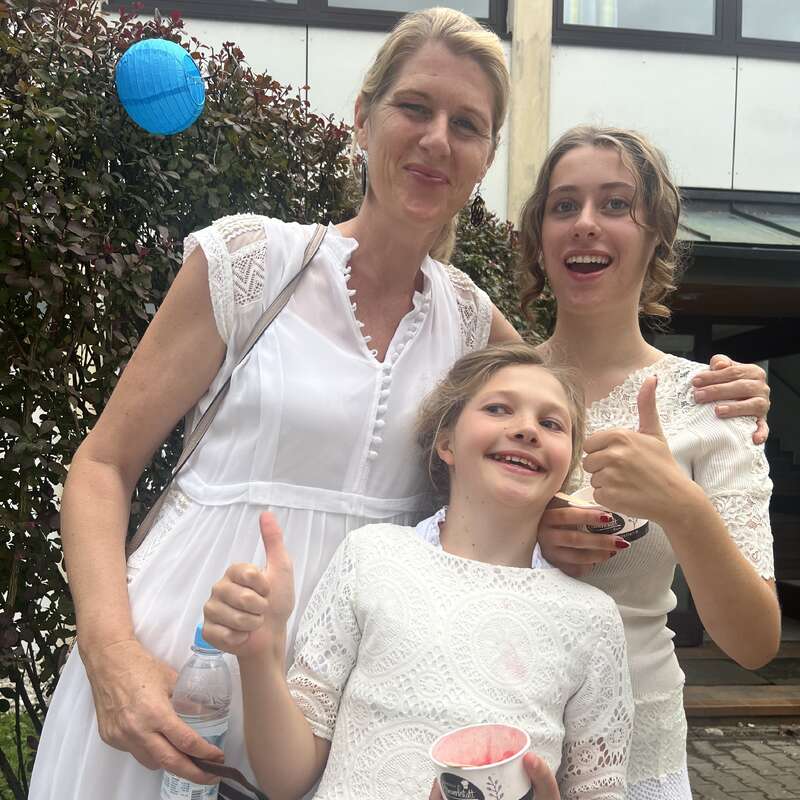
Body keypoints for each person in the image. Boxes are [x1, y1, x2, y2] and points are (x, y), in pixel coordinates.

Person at [28, 5, 769, 796]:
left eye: (468, 124)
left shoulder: (474, 324)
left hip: (360, 718)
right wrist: (112, 658)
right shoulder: (251, 261)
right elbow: (103, 464)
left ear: (486, 158)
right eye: (415, 107)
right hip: (177, 670)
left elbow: (552, 427)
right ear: (363, 118)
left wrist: (727, 394)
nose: (436, 139)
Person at [203, 343, 633, 800]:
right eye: (498, 409)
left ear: (567, 465)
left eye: (551, 423)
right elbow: (286, 780)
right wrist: (260, 654)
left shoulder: (592, 618)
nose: (526, 429)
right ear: (446, 442)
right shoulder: (370, 558)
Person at [519, 126, 780, 800]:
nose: (584, 224)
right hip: (497, 728)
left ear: (657, 234)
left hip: (635, 744)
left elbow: (755, 643)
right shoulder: (497, 385)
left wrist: (681, 507)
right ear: (539, 237)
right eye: (563, 205)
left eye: (614, 205)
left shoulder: (711, 404)